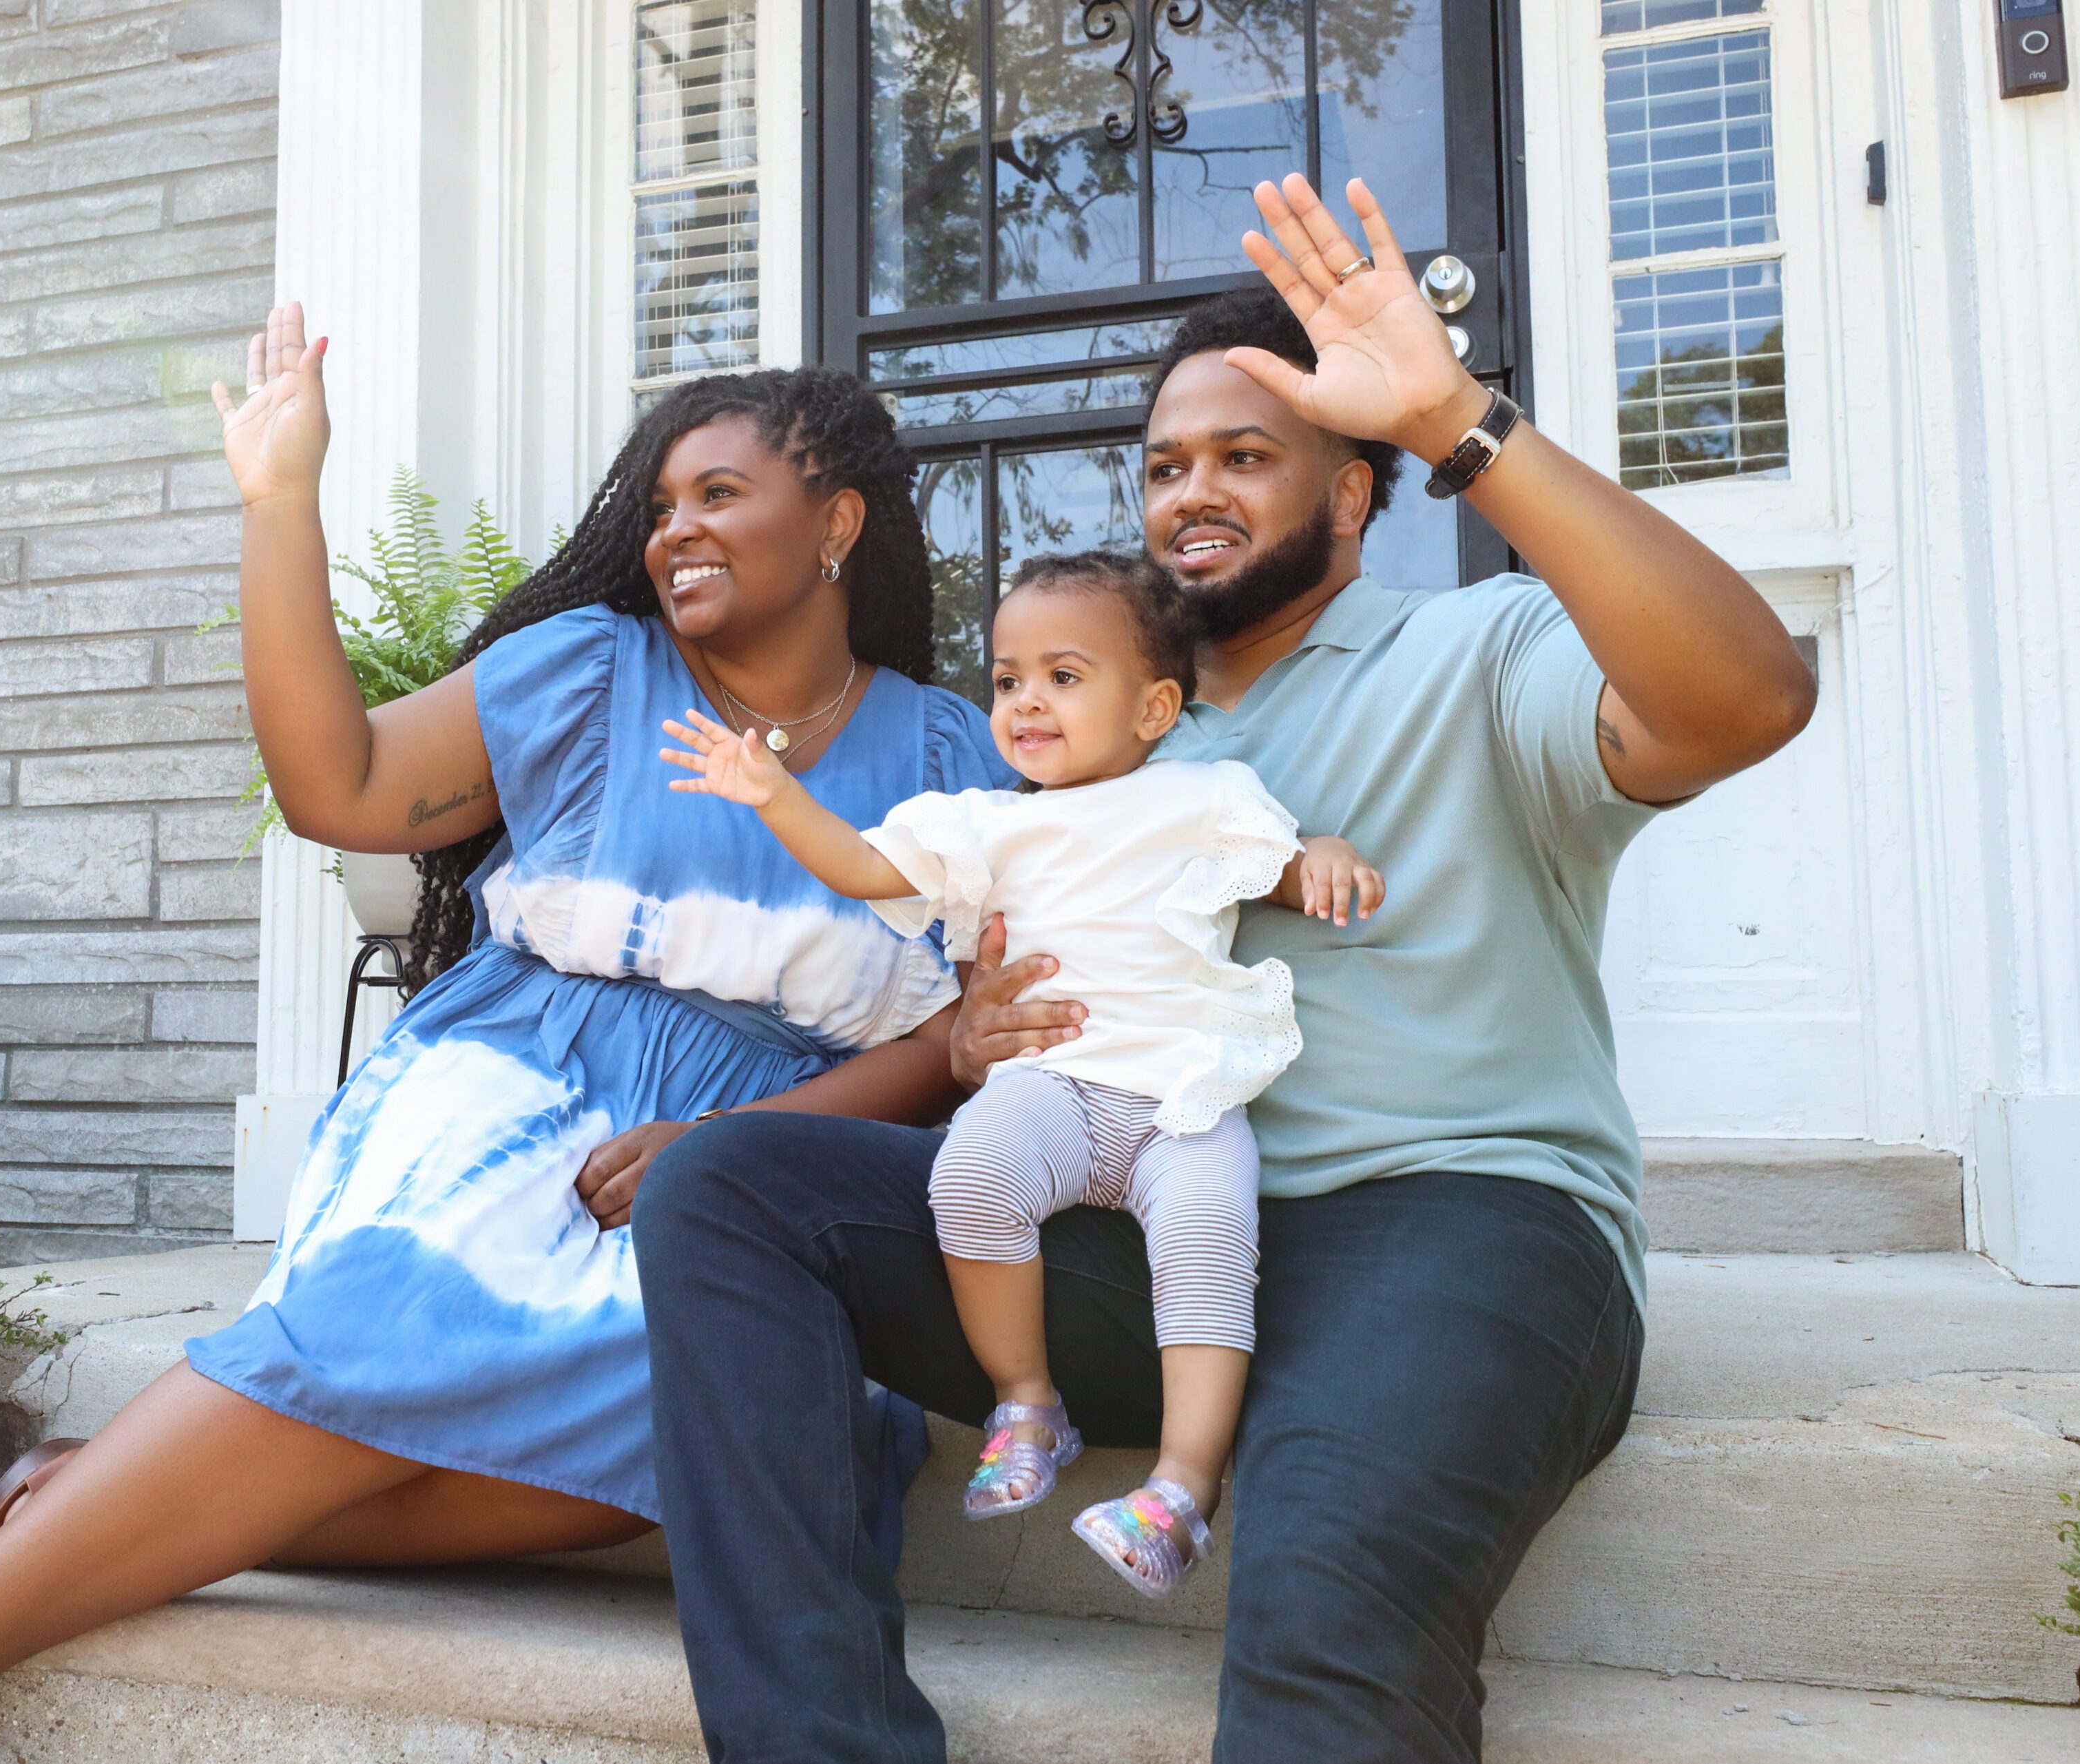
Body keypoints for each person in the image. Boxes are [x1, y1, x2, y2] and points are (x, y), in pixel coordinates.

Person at [0, 310, 1010, 1764]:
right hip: (518, 1092)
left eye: (718, 495)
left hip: (755, 1164)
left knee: (733, 1444)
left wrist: (735, 1148)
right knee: (414, 1320)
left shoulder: (948, 759)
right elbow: (337, 785)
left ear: (839, 521)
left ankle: (176, 1482)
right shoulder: (591, 675)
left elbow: (957, 1034)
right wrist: (278, 499)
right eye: (661, 502)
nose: (674, 529)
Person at [633, 174, 1816, 1762]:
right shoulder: (1078, 743)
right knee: (729, 1187)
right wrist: (983, 1040)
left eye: (1246, 456)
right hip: (1149, 1235)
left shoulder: (1477, 652)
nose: (1191, 490)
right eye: (1165, 464)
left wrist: (1459, 418)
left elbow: (1747, 699)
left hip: (1451, 1224)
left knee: (1322, 1620)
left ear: (1353, 492)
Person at [659, 548, 1383, 1600]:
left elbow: (1279, 861)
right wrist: (774, 793)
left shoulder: (1201, 795)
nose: (1025, 701)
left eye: (1063, 675)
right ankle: (1027, 1402)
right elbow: (868, 866)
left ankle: (1183, 1487)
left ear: (1153, 707)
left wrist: (1326, 851)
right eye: (1006, 678)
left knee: (1208, 1244)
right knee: (968, 1176)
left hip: (1182, 1099)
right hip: (1052, 1090)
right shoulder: (988, 822)